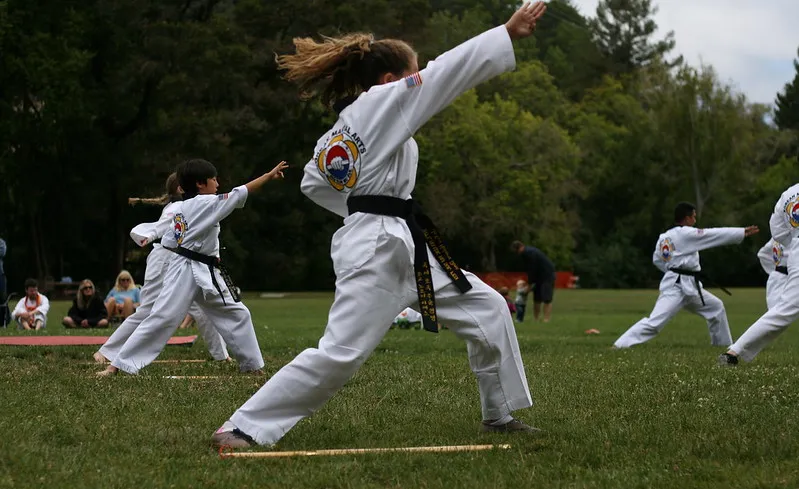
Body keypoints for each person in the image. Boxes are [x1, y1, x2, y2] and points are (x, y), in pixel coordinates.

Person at [211, 2, 547, 450]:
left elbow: (315, 184)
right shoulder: (382, 102)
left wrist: (359, 208)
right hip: (378, 248)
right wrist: (504, 33)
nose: (418, 80)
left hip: (400, 242)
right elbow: (445, 73)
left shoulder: (346, 128)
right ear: (392, 80)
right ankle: (245, 426)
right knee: (341, 352)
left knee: (488, 309)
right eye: (413, 73)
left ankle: (498, 414)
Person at [96, 159, 286, 376]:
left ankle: (252, 366)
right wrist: (268, 176)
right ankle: (118, 365)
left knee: (237, 313)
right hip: (187, 269)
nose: (217, 182)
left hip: (203, 269)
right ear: (200, 184)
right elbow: (239, 192)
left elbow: (169, 240)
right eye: (213, 178)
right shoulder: (205, 203)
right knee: (164, 316)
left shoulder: (181, 207)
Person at [93, 173, 239, 368]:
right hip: (165, 260)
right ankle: (107, 352)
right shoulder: (178, 207)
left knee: (205, 309)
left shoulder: (189, 205)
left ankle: (222, 355)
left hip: (186, 262)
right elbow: (163, 225)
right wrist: (150, 234)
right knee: (148, 310)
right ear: (181, 189)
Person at [613, 202, 759, 349]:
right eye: (694, 217)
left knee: (716, 307)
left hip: (689, 285)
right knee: (655, 322)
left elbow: (657, 260)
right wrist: (740, 232)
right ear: (687, 218)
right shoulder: (686, 234)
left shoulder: (665, 237)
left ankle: (723, 346)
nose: (695, 221)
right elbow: (711, 234)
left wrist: (671, 270)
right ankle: (620, 345)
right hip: (676, 287)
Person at [720, 184, 799, 366]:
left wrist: (794, 243)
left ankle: (734, 351)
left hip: (796, 251)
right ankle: (734, 351)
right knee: (784, 310)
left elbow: (777, 231)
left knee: (783, 311)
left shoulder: (788, 194)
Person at [511, 240, 556, 322]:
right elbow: (530, 270)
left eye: (517, 251)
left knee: (547, 297)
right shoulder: (527, 252)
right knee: (537, 298)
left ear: (520, 247)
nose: (517, 254)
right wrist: (530, 282)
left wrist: (529, 284)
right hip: (538, 276)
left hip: (547, 275)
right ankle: (536, 319)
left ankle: (546, 319)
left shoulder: (528, 253)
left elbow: (532, 269)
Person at [756, 238, 789, 310]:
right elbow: (763, 254)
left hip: (782, 277)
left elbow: (763, 254)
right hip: (781, 278)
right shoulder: (779, 236)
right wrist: (778, 271)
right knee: (776, 314)